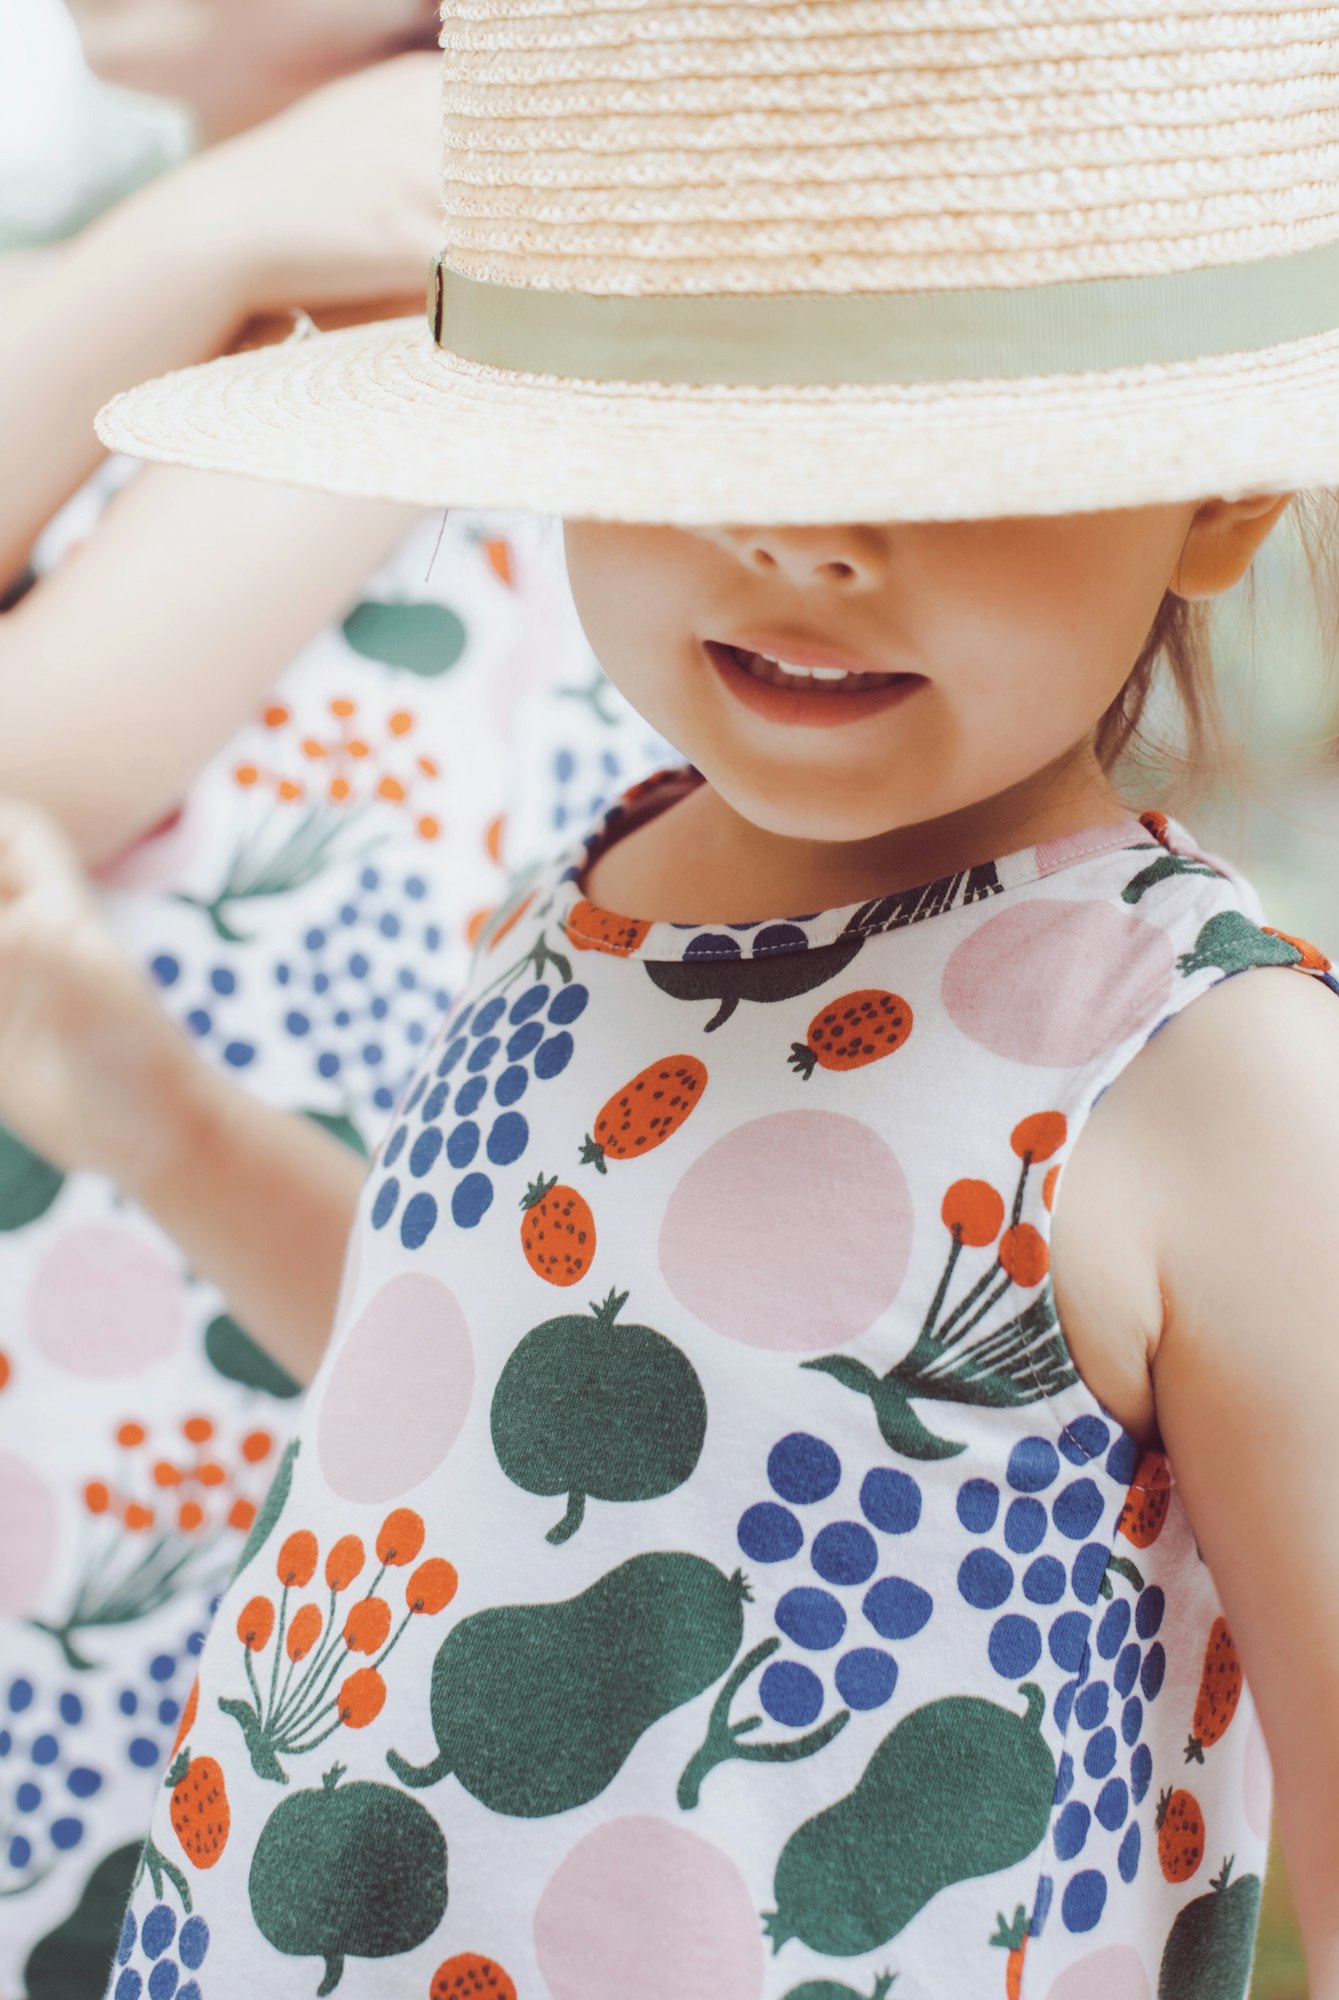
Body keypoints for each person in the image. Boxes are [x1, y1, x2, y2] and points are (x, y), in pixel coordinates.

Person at [11, 0, 1339, 1993]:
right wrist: (147, 1110)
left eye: (935, 438)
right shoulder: (571, 902)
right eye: (694, 409)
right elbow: (487, 1390)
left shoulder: (1203, 1075)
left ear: (1220, 482)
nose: (793, 532)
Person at [0, 46, 664, 2000]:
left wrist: (189, 237)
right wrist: (195, 235)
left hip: (177, 1447)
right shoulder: (250, 281)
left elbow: (41, 755)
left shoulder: (418, 294)